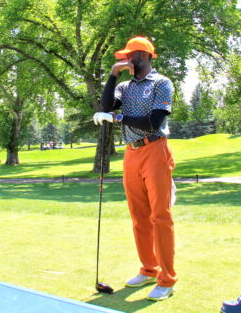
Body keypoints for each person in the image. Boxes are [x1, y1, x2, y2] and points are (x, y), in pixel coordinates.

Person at [93, 36, 176, 301]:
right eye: (126, 55)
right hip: (132, 153)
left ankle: (167, 279)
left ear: (147, 55)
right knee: (139, 216)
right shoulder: (124, 86)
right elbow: (106, 107)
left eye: (133, 54)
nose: (127, 59)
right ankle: (149, 269)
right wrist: (112, 75)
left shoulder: (162, 83)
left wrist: (117, 117)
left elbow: (154, 122)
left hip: (155, 149)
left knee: (160, 217)